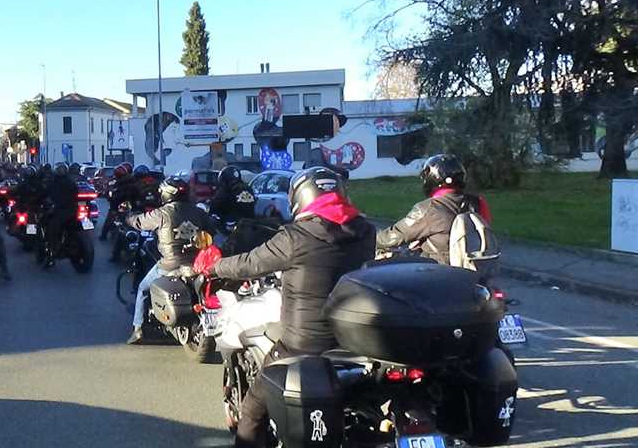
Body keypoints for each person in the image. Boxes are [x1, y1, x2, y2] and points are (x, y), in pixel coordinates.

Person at [194, 167, 375, 447]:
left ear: (301, 197)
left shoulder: (296, 237)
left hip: (303, 344)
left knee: (252, 410)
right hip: (356, 341)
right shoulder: (366, 231)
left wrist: (214, 267)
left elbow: (249, 263)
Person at [125, 176, 216, 345]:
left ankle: (138, 329)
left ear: (166, 194)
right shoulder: (199, 212)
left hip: (171, 264)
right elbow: (212, 230)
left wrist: (129, 216)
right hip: (198, 262)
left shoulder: (162, 213)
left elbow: (139, 222)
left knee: (143, 288)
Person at [376, 154, 491, 265]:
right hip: (475, 267)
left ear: (432, 178)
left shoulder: (428, 208)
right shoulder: (478, 202)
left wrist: (372, 237)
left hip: (438, 271)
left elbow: (393, 237)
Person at [42, 162, 80, 266]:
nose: (61, 171)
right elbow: (76, 193)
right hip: (72, 211)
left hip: (61, 212)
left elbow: (45, 193)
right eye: (60, 169)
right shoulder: (70, 181)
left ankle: (51, 253)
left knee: (51, 229)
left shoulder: (53, 182)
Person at [99, 163, 136, 242]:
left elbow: (110, 193)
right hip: (127, 204)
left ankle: (103, 235)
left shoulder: (117, 182)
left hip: (119, 205)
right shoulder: (133, 180)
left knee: (110, 216)